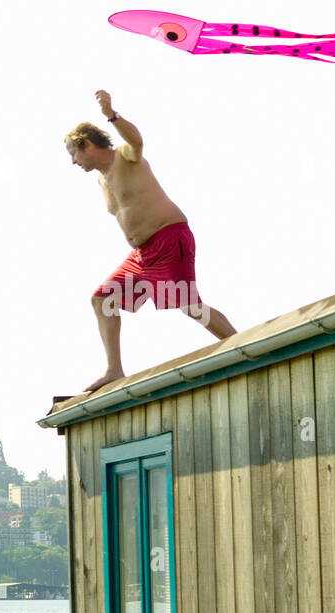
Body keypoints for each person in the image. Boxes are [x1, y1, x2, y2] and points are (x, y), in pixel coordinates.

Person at [66, 90, 237, 392]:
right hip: (142, 254)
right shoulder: (100, 179)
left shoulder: (125, 156)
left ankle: (240, 345)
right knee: (102, 299)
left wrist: (111, 114)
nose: (72, 161)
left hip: (170, 238)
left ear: (87, 144)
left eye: (73, 153)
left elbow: (137, 141)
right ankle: (114, 369)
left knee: (189, 305)